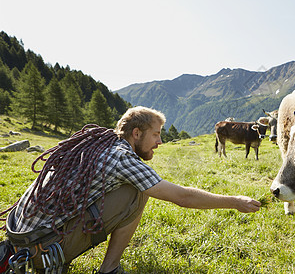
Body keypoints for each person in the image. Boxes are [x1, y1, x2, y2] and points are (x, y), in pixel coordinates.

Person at [3, 106, 261, 274]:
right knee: (140, 191)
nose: (160, 141)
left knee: (137, 186)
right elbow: (182, 197)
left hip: (20, 236)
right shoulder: (123, 158)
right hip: (41, 248)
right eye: (156, 135)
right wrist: (234, 201)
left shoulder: (99, 142)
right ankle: (109, 268)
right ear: (136, 133)